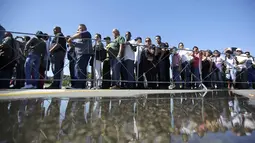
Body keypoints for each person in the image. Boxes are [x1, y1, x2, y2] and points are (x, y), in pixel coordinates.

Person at [67, 24, 93, 89]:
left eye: (80, 28)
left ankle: (78, 85)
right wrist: (70, 43)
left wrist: (71, 38)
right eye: (78, 29)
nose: (79, 30)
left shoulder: (87, 33)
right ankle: (81, 85)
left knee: (79, 69)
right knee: (79, 69)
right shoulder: (79, 38)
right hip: (79, 54)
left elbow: (79, 35)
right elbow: (76, 45)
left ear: (84, 28)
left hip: (84, 54)